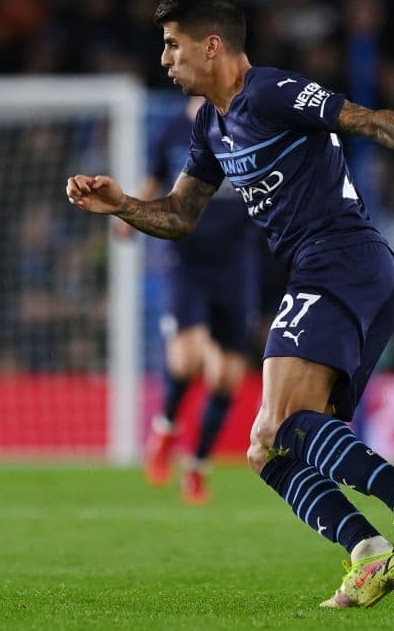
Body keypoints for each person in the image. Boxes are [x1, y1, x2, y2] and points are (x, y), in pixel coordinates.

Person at [66, 0, 394, 608]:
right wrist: (121, 205)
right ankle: (368, 552)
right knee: (268, 447)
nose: (166, 60)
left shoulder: (271, 92)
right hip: (338, 272)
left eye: (174, 46)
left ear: (212, 45)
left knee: (281, 429)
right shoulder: (210, 126)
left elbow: (362, 119)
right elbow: (180, 216)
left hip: (341, 260)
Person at [116, 96, 261, 505]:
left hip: (236, 263)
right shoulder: (172, 132)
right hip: (187, 259)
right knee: (188, 357)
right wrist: (132, 216)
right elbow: (153, 178)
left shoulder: (246, 124)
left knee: (226, 378)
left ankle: (197, 467)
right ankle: (165, 429)